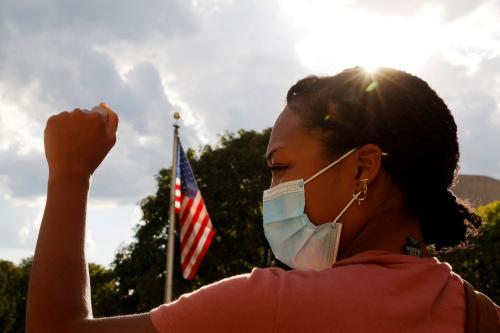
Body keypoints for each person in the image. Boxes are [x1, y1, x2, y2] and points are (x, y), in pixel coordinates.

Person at [26, 68, 499, 333]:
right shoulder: (480, 314)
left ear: (362, 168)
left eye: (280, 168)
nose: (271, 193)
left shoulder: (272, 305)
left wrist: (70, 175)